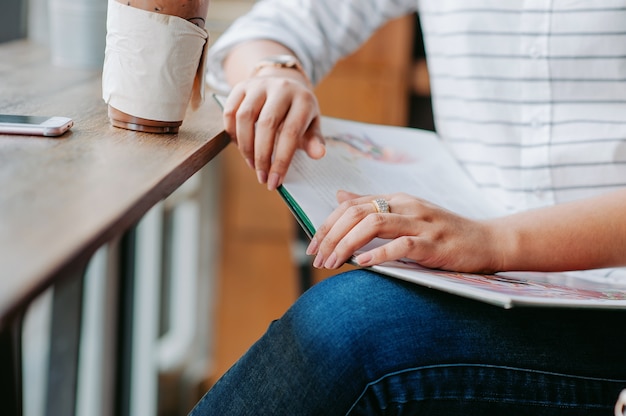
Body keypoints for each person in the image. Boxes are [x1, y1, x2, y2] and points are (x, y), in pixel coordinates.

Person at [190, 1, 626, 414]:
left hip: (607, 298)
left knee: (349, 326)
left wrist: (496, 240)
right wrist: (274, 71)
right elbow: (273, 27)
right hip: (484, 282)